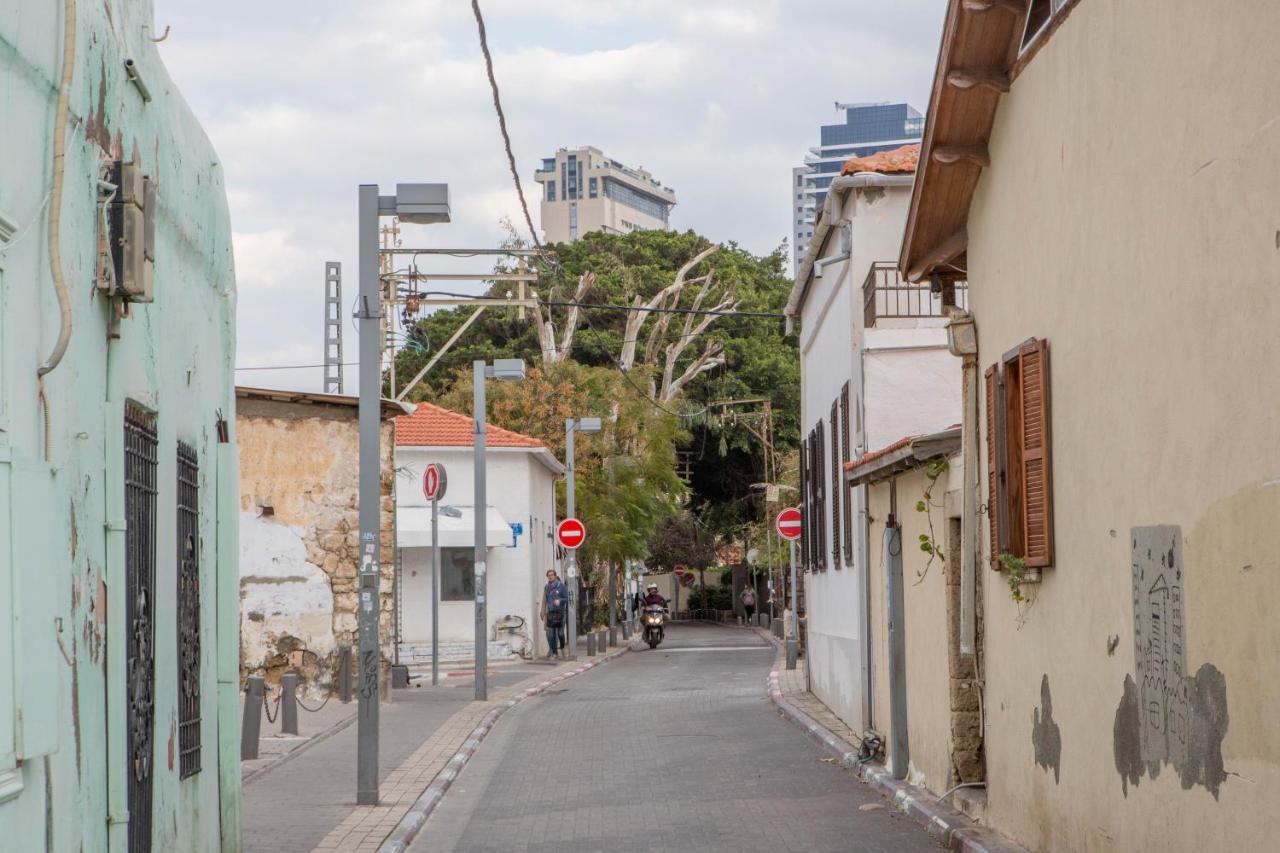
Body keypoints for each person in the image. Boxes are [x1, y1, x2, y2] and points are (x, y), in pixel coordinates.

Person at [540, 569, 568, 659]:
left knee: (560, 633)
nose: (550, 576)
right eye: (549, 575)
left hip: (560, 613)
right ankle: (555, 653)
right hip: (551, 614)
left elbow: (566, 598)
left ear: (555, 576)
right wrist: (543, 611)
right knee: (551, 634)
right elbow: (545, 600)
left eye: (552, 575)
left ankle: (563, 647)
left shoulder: (561, 586)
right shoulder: (546, 587)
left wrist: (559, 600)